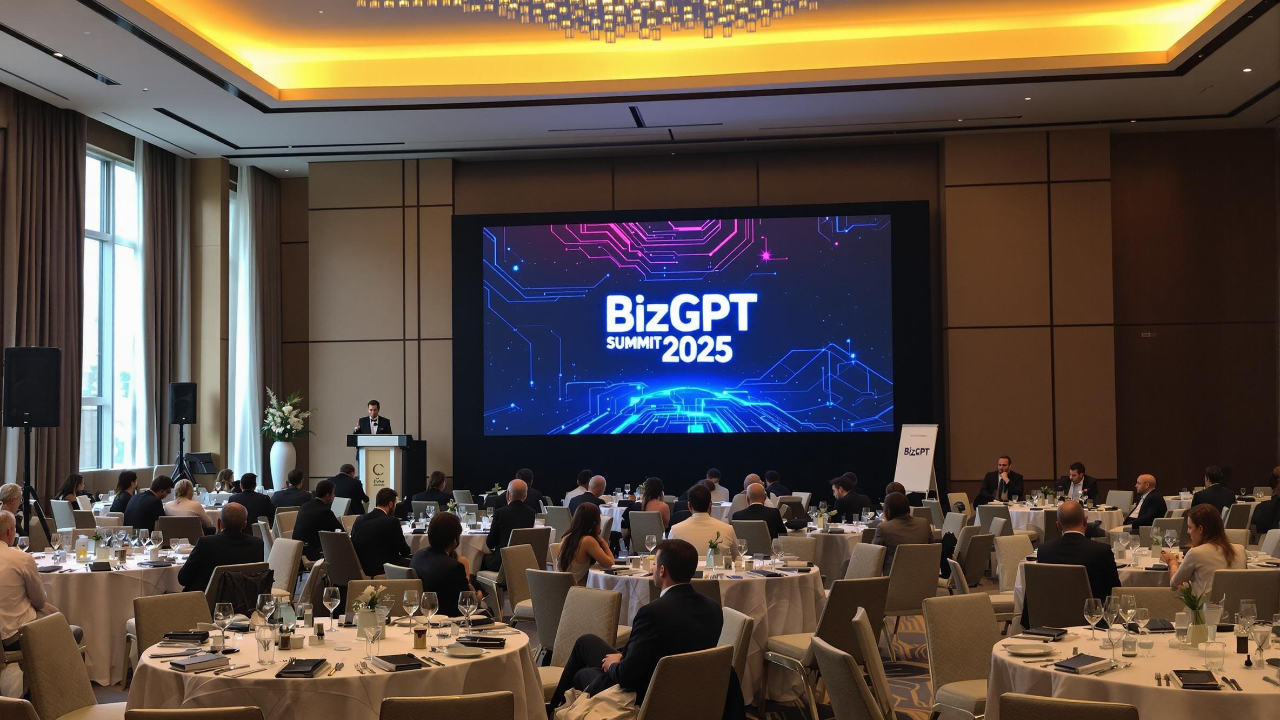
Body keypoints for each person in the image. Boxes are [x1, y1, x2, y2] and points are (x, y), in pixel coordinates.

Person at [548, 539, 723, 711]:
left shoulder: (652, 613)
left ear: (662, 570)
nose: (652, 569)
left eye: (654, 564)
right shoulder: (713, 608)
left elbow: (627, 676)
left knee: (582, 674)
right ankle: (551, 711)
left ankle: (552, 710)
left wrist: (614, 665)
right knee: (585, 642)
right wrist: (623, 657)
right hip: (688, 686)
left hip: (646, 692)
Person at [0, 511, 82, 649]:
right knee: (75, 631)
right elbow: (39, 601)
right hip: (15, 636)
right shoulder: (21, 559)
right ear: (9, 531)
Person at [1033, 500, 1120, 602]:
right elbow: (1115, 591)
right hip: (1091, 611)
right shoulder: (1102, 551)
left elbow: (1039, 590)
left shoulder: (1044, 550)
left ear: (1058, 526)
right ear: (1085, 521)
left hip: (1053, 611)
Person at [175, 503, 264, 593]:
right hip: (245, 598)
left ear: (219, 523)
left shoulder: (205, 543)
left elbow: (183, 578)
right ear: (244, 525)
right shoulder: (257, 544)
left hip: (206, 599)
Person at [1162, 503, 1245, 596]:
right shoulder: (1240, 549)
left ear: (1200, 529)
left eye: (1190, 527)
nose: (1187, 531)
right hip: (1237, 604)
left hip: (1206, 605)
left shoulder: (1195, 553)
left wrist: (1172, 562)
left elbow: (1174, 584)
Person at [410, 511, 481, 617]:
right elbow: (466, 604)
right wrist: (477, 597)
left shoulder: (418, 556)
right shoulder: (454, 567)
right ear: (455, 539)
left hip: (423, 614)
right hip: (449, 619)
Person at [351, 488, 412, 577]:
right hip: (384, 568)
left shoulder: (359, 519)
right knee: (417, 563)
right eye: (395, 505)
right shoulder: (392, 521)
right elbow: (404, 551)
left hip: (362, 568)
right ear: (390, 504)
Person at [669, 484, 740, 559]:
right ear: (710, 504)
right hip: (718, 567)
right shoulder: (728, 529)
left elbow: (670, 559)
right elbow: (737, 558)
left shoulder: (675, 530)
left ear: (689, 506)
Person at [481, 479, 535, 572]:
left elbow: (490, 543)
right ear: (525, 495)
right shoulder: (531, 513)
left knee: (481, 558)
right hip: (522, 561)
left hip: (502, 563)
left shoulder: (500, 513)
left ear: (507, 494)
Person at [871, 492, 932, 574]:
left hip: (894, 578)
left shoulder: (884, 528)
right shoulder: (924, 523)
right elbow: (932, 548)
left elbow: (874, 557)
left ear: (887, 510)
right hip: (923, 575)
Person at [557, 503, 614, 584]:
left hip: (561, 586)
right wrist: (604, 544)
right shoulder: (587, 541)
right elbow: (610, 564)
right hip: (578, 589)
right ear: (595, 523)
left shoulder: (566, 537)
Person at [292, 479, 344, 562]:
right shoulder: (324, 511)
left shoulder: (304, 507)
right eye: (333, 494)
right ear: (327, 495)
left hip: (297, 551)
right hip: (312, 555)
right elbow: (341, 532)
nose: (334, 496)